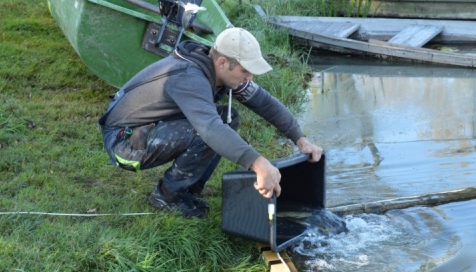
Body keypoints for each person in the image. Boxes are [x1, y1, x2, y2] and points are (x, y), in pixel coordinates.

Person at [98, 27, 324, 219]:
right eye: (245, 71)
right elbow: (209, 129)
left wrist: (300, 138)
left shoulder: (218, 70)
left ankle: (188, 190)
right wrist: (258, 163)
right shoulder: (189, 78)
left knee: (228, 116)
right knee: (205, 131)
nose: (250, 78)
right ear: (223, 62)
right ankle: (167, 196)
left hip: (149, 126)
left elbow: (264, 103)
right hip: (125, 141)